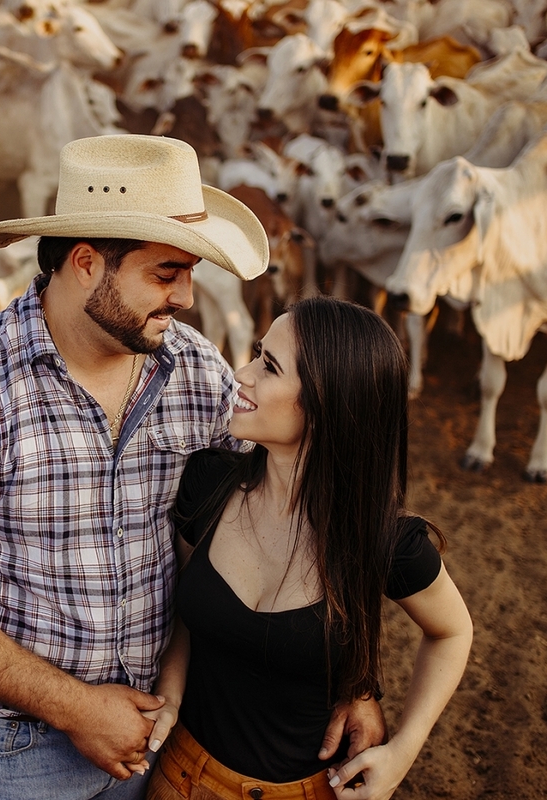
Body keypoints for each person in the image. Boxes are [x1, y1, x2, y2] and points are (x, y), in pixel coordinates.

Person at [0, 135, 387, 800]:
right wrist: (75, 708)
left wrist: (355, 679)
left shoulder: (198, 373)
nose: (185, 297)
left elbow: (287, 517)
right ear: (86, 263)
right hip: (14, 749)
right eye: (166, 274)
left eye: (190, 273)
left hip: (163, 733)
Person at [142, 297, 475, 800]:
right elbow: (185, 611)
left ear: (328, 403)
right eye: (257, 354)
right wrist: (169, 691)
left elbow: (453, 631)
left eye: (269, 367)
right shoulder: (207, 484)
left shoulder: (385, 540)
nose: (242, 374)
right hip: (179, 777)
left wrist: (403, 751)